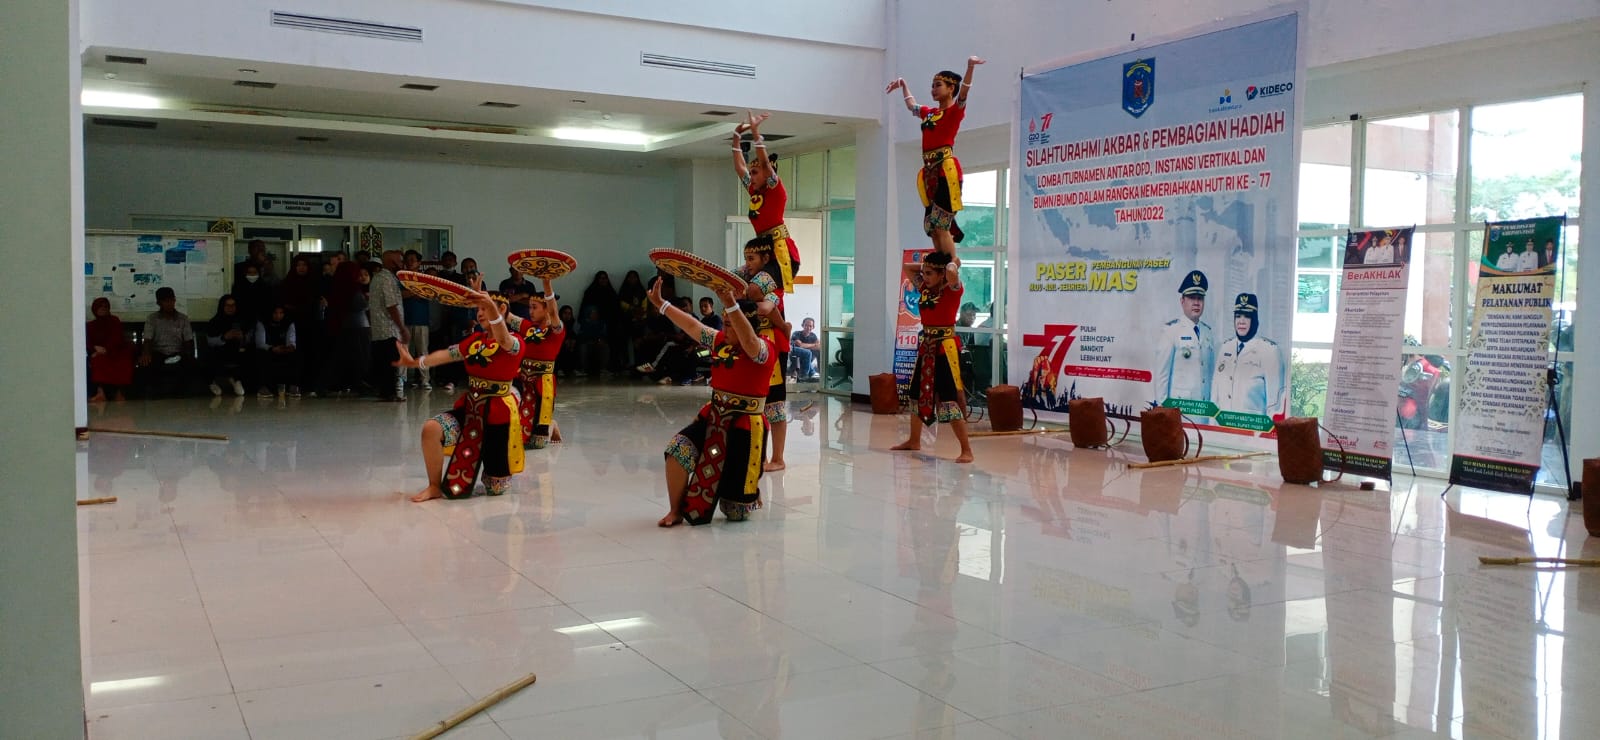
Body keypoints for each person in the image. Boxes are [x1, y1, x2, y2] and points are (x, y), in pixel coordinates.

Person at [651, 280, 777, 527]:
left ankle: (747, 490)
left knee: (735, 512)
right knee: (677, 449)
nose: (726, 329)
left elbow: (751, 345)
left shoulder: (764, 348)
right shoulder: (720, 341)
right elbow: (691, 325)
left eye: (732, 325)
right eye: (726, 324)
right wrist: (662, 305)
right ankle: (675, 510)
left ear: (748, 326)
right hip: (715, 417)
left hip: (746, 427)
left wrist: (731, 304)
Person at [394, 288, 524, 502]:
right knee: (431, 429)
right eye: (478, 309)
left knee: (496, 487)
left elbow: (503, 339)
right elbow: (446, 354)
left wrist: (492, 306)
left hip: (498, 415)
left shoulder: (516, 341)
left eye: (484, 309)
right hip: (471, 408)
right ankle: (434, 486)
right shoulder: (474, 341)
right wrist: (415, 362)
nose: (479, 314)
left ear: (501, 309)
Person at [886, 55, 985, 253]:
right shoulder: (930, 113)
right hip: (929, 171)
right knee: (932, 225)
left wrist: (970, 67)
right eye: (932, 85)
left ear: (951, 88)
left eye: (938, 85)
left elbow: (965, 91)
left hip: (945, 170)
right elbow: (912, 106)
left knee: (942, 222)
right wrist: (904, 85)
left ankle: (950, 263)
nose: (933, 89)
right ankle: (940, 261)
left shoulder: (954, 112)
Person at [893, 250, 974, 463]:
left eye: (930, 274)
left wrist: (951, 265)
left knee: (949, 398)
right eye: (925, 273)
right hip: (927, 346)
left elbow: (952, 275)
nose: (924, 277)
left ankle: (967, 450)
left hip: (945, 349)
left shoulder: (953, 291)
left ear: (941, 275)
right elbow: (908, 268)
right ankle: (914, 440)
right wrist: (929, 267)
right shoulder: (925, 289)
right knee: (917, 394)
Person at [737, 236, 794, 471]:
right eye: (746, 259)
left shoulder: (773, 287)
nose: (748, 263)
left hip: (771, 345)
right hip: (753, 344)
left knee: (774, 402)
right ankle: (755, 453)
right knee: (755, 402)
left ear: (766, 259)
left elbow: (765, 308)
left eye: (752, 258)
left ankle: (778, 458)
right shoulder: (748, 281)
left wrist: (782, 326)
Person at [731, 111, 803, 292]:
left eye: (755, 173)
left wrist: (756, 135)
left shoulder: (775, 189)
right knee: (730, 281)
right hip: (762, 252)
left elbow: (764, 164)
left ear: (766, 172)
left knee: (755, 290)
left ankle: (778, 320)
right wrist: (736, 138)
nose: (751, 176)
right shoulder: (755, 192)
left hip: (781, 254)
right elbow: (740, 169)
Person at [509, 278, 564, 449]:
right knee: (513, 432)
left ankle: (551, 424)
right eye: (529, 307)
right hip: (522, 379)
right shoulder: (527, 327)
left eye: (534, 307)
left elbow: (555, 314)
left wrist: (547, 286)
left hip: (543, 383)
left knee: (537, 443)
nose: (530, 311)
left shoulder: (556, 330)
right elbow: (505, 316)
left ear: (546, 309)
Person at [1214, 293, 1285, 418]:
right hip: (1223, 430)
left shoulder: (1270, 351)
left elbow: (1274, 406)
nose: (1241, 321)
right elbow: (1215, 397)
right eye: (1238, 316)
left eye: (1247, 316)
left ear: (1255, 319)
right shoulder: (1225, 347)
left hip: (1252, 432)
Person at [1153, 270, 1215, 405]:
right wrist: (1164, 412)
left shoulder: (1208, 332)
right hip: (1180, 412)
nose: (1196, 303)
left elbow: (1210, 376)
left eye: (1200, 298)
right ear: (1182, 301)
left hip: (1204, 412)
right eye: (1192, 297)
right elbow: (1162, 377)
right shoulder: (1171, 331)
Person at [368, 250, 409, 402]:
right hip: (388, 328)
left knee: (384, 362)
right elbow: (391, 306)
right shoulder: (387, 279)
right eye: (400, 261)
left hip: (379, 329)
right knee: (390, 361)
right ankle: (389, 393)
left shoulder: (379, 278)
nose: (402, 264)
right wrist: (402, 328)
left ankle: (386, 392)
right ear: (392, 263)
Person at [87, 297, 135, 402]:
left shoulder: (114, 320)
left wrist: (107, 349)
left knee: (124, 360)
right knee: (97, 360)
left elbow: (117, 338)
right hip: (99, 353)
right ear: (95, 309)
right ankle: (100, 393)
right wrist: (94, 349)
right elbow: (87, 342)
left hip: (115, 351)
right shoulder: (90, 325)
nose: (103, 309)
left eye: (105, 307)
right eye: (100, 307)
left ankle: (120, 393)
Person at [204, 294, 251, 397]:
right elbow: (210, 341)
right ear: (222, 307)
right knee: (210, 354)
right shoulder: (214, 321)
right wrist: (224, 338)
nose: (231, 308)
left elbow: (249, 336)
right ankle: (211, 382)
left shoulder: (241, 320)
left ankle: (237, 379)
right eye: (227, 305)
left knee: (249, 353)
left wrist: (243, 337)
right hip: (220, 351)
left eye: (233, 305)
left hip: (237, 350)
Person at [401, 250, 433, 391]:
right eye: (407, 259)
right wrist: (415, 292)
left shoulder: (425, 278)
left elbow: (427, 295)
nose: (410, 262)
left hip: (421, 320)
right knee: (404, 352)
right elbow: (400, 295)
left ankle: (424, 380)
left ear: (419, 263)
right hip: (404, 320)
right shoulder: (401, 278)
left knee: (422, 352)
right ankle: (403, 380)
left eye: (413, 259)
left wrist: (411, 293)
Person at [254, 304, 300, 398]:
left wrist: (288, 348)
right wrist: (272, 348)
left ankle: (293, 386)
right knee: (261, 354)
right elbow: (260, 343)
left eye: (281, 313)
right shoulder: (262, 322)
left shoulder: (289, 323)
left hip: (283, 350)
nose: (278, 316)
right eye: (275, 313)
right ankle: (263, 387)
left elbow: (291, 341)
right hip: (268, 350)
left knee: (296, 355)